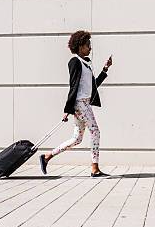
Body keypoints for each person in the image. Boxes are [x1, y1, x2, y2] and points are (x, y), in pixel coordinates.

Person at [39, 30, 113, 178]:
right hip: (80, 104)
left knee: (77, 139)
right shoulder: (75, 62)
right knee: (95, 131)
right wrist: (68, 109)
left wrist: (105, 69)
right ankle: (94, 168)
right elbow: (73, 86)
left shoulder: (86, 64)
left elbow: (93, 87)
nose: (90, 48)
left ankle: (46, 157)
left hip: (85, 103)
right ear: (80, 47)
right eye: (88, 45)